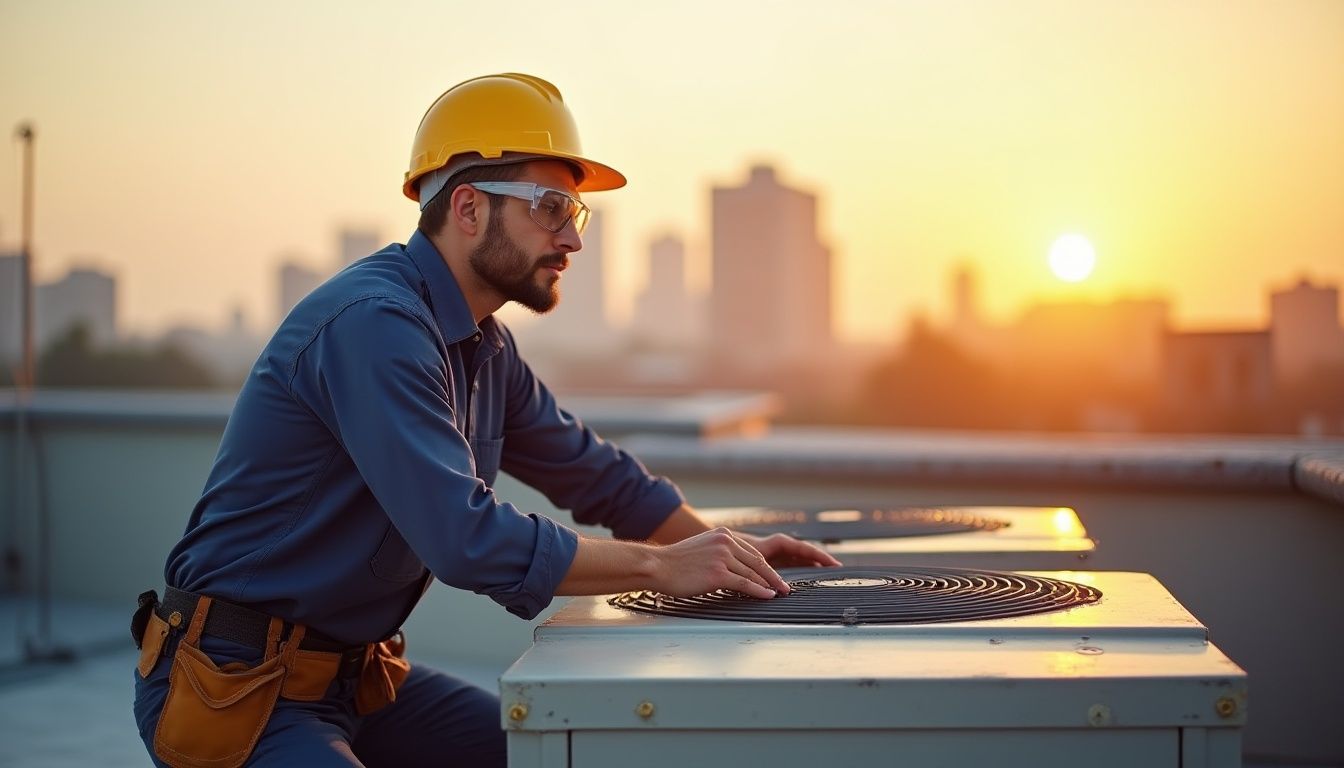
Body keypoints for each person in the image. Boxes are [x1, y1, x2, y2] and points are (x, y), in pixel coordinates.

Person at [130, 72, 839, 768]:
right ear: (468, 209)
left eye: (577, 214)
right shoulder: (376, 325)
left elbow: (599, 477)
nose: (573, 240)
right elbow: (464, 538)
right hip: (234, 688)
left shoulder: (482, 346)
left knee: (559, 752)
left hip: (361, 680)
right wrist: (664, 566)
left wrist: (727, 554)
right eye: (553, 207)